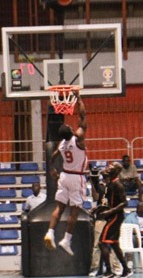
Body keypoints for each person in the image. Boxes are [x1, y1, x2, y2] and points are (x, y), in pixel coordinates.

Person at [44, 92, 87, 256]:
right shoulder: (79, 139)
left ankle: (50, 232)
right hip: (76, 176)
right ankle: (66, 240)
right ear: (70, 131)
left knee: (59, 208)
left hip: (64, 176)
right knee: (74, 210)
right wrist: (78, 98)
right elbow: (82, 116)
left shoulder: (62, 145)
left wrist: (52, 169)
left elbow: (53, 156)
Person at [96, 162, 132, 278]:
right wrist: (96, 209)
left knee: (102, 243)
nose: (108, 167)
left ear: (116, 171)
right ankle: (126, 270)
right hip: (112, 215)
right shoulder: (110, 184)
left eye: (112, 166)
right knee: (115, 244)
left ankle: (109, 271)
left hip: (116, 216)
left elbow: (124, 203)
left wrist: (109, 212)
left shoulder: (118, 184)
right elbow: (107, 202)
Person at [88, 165, 121, 278]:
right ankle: (95, 268)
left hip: (112, 218)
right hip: (101, 218)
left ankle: (115, 268)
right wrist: (93, 182)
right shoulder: (99, 185)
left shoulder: (115, 184)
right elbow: (95, 197)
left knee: (112, 244)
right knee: (97, 245)